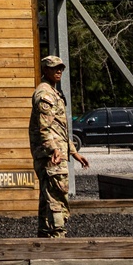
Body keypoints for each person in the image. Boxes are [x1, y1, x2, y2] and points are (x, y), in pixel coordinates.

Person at [28, 55, 90, 238]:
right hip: (51, 155)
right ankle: (58, 233)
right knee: (57, 192)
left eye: (61, 68)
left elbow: (59, 128)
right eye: (54, 67)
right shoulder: (45, 95)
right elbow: (44, 128)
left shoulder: (53, 93)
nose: (59, 71)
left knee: (48, 193)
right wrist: (54, 150)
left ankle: (45, 231)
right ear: (45, 70)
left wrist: (73, 152)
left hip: (58, 151)